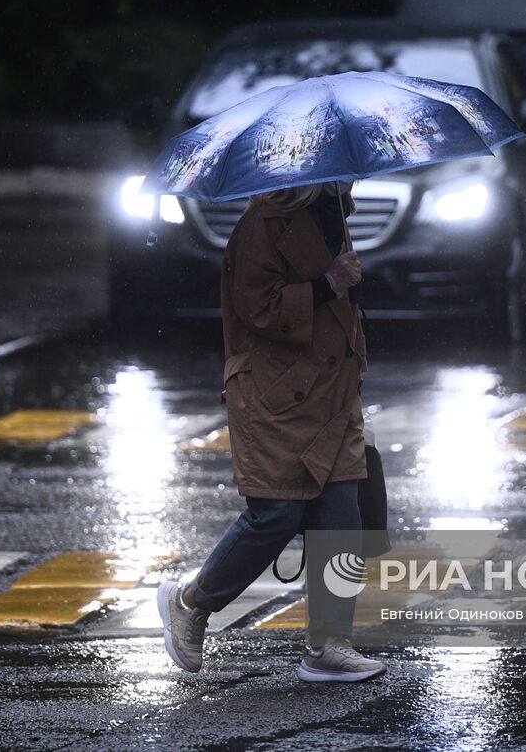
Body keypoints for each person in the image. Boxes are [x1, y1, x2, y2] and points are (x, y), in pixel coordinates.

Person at [157, 180, 386, 683]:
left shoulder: (336, 213)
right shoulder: (262, 223)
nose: (349, 179)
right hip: (276, 393)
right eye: (340, 171)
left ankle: (328, 645)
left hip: (334, 392)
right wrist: (330, 282)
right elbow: (256, 307)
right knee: (276, 514)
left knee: (340, 519)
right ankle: (191, 602)